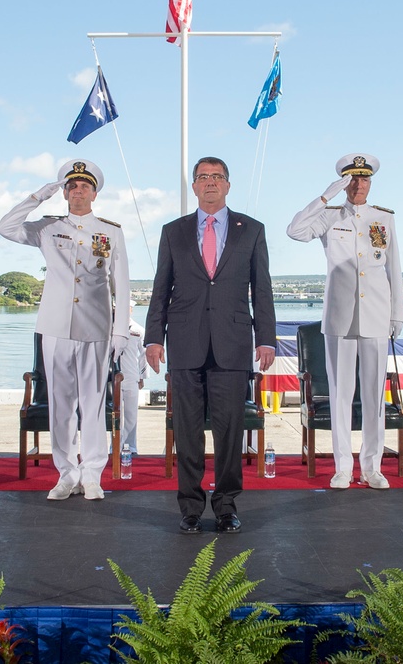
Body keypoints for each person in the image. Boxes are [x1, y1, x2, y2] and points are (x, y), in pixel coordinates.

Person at [145, 156, 276, 534]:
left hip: (233, 343)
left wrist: (265, 338)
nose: (210, 182)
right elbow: (160, 289)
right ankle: (189, 508)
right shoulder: (174, 231)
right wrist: (154, 337)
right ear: (193, 186)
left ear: (228, 185)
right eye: (203, 177)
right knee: (186, 431)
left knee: (230, 431)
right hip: (185, 342)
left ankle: (226, 506)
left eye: (217, 176)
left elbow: (261, 289)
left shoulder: (251, 230)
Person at [0, 158, 129, 501]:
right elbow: (5, 228)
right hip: (55, 327)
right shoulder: (47, 228)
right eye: (71, 186)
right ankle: (66, 473)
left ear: (95, 193)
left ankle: (93, 474)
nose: (77, 191)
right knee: (60, 403)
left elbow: (122, 285)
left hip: (96, 327)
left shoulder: (110, 231)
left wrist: (120, 332)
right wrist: (36, 197)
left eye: (84, 186)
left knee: (94, 403)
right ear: (64, 192)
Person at [287, 153, 403, 490]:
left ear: (370, 182)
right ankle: (342, 467)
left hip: (377, 315)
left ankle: (372, 466)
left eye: (363, 179)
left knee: (373, 395)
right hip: (339, 317)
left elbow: (394, 267)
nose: (358, 185)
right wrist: (325, 196)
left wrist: (398, 313)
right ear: (343, 183)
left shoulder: (384, 219)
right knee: (340, 395)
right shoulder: (329, 216)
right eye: (351, 180)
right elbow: (295, 230)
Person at [118, 300, 147, 455]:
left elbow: (143, 355)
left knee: (131, 414)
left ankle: (131, 447)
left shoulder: (138, 330)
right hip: (113, 378)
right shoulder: (110, 328)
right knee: (114, 414)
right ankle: (114, 446)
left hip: (131, 375)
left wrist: (142, 376)